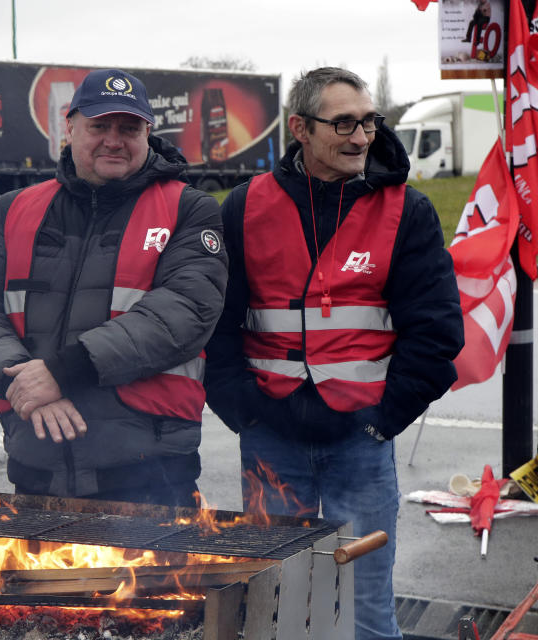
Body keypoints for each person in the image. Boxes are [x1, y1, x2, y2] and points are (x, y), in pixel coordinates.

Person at [203, 67, 462, 640]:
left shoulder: (405, 210)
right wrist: (243, 411)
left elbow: (438, 334)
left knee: (367, 611)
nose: (361, 137)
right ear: (300, 127)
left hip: (360, 441)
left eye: (368, 121)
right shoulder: (244, 208)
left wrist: (382, 422)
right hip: (271, 435)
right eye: (343, 123)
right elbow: (214, 327)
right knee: (277, 603)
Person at [0, 68, 228, 508]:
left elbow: (184, 313)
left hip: (150, 474)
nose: (114, 140)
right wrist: (22, 384)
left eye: (129, 128)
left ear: (148, 133)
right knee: (41, 580)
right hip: (35, 464)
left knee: (160, 581)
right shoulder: (13, 210)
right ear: (70, 127)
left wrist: (60, 373)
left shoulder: (188, 210)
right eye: (99, 126)